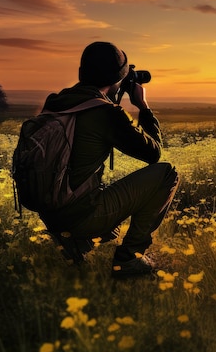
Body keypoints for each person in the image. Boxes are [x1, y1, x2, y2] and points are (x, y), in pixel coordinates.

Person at [38, 41, 179, 278]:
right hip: (81, 215)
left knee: (106, 207)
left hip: (51, 213)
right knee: (167, 173)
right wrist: (142, 106)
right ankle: (129, 259)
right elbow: (153, 153)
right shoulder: (105, 113)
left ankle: (76, 242)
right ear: (117, 79)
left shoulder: (56, 103)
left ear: (82, 73)